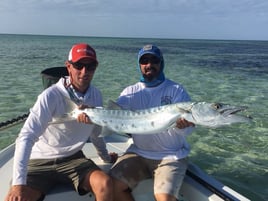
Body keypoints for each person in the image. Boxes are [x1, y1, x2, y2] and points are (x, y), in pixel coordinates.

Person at [5, 43, 117, 201]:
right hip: (39, 160)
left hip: (73, 158)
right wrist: (18, 184)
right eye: (79, 65)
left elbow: (95, 132)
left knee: (105, 183)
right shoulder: (50, 96)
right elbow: (26, 136)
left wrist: (105, 157)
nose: (84, 72)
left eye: (90, 66)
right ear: (68, 66)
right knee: (16, 199)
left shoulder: (96, 95)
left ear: (96, 67)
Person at [110, 44, 195, 201]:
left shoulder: (176, 90)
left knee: (164, 198)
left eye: (154, 60)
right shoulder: (129, 92)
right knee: (112, 186)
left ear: (161, 63)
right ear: (139, 65)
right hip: (138, 153)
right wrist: (90, 113)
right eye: (144, 61)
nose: (149, 65)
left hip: (171, 156)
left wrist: (184, 127)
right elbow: (114, 117)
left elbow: (189, 131)